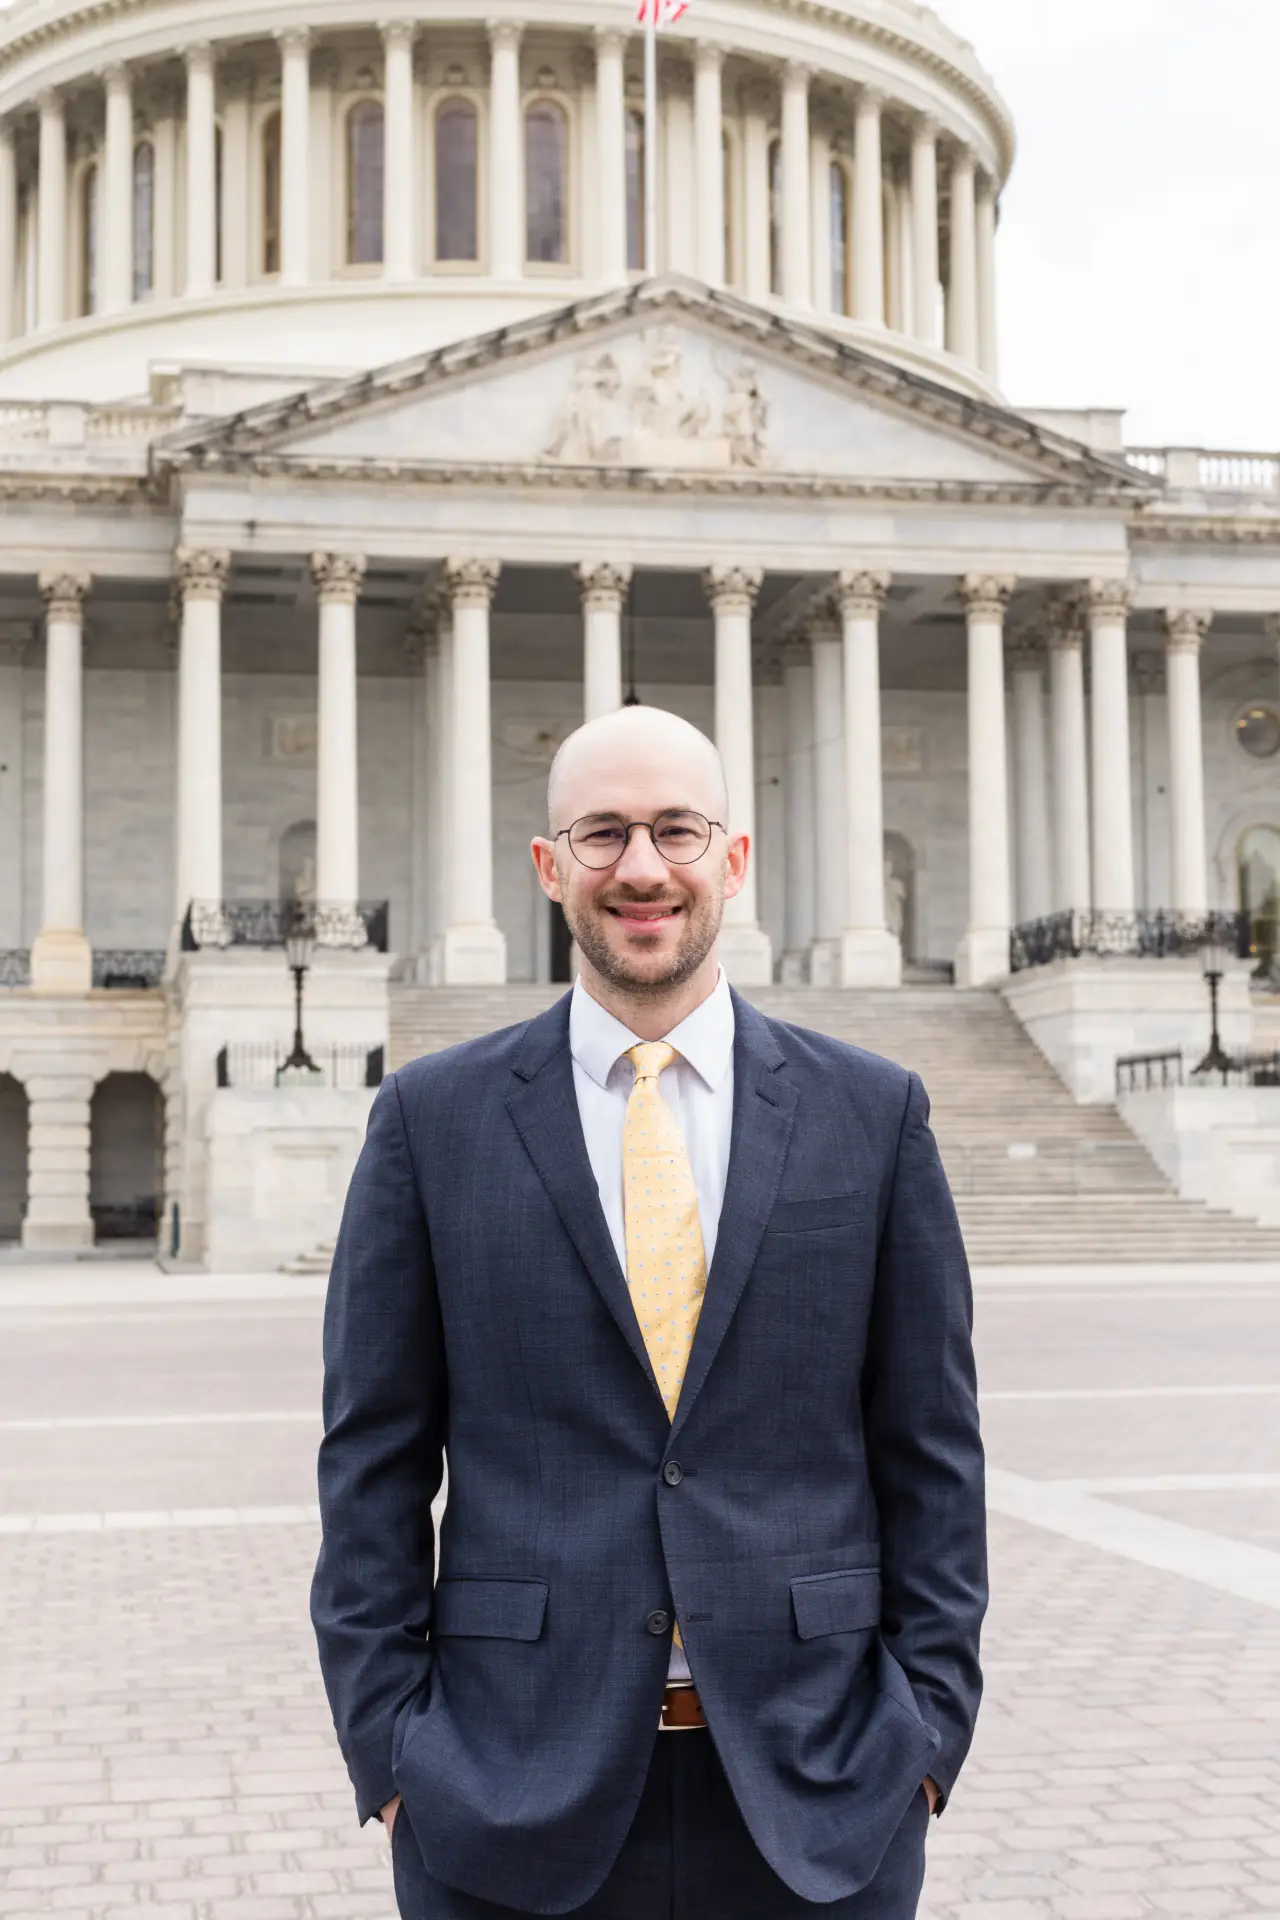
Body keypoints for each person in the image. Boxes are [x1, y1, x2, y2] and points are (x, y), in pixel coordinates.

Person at [311, 703, 986, 1920]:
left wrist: (922, 1742)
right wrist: (397, 1757)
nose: (640, 868)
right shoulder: (432, 1119)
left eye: (676, 830)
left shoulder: (871, 1115)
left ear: (730, 858)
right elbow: (371, 1460)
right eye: (603, 833)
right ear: (548, 866)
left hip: (819, 1790)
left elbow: (931, 1453)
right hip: (506, 1794)